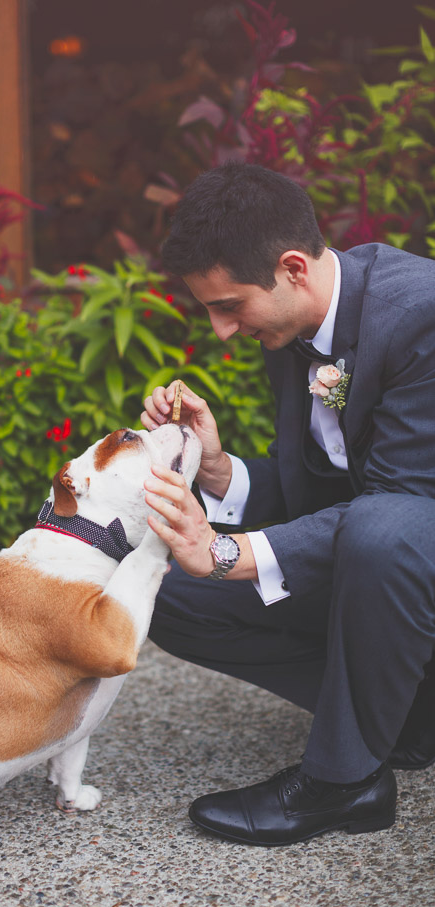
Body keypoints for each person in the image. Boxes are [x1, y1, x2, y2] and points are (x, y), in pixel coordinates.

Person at [140, 162, 435, 847]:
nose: (220, 331)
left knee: (381, 530)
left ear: (293, 267)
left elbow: (400, 504)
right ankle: (403, 713)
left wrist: (226, 551)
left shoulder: (422, 314)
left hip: (408, 546)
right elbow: (325, 488)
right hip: (385, 553)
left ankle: (343, 780)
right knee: (167, 589)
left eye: (228, 306)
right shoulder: (296, 330)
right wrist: (214, 470)